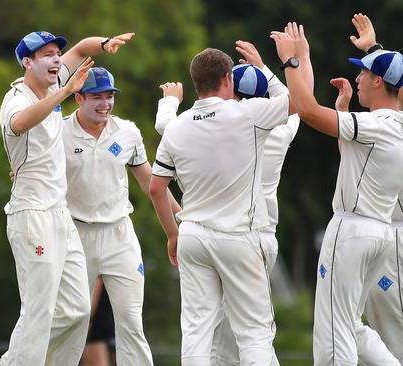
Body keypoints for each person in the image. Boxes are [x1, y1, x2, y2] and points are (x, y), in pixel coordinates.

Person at [0, 31, 134, 366]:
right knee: (40, 308)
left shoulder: (54, 82)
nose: (56, 59)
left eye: (56, 54)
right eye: (47, 54)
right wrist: (65, 92)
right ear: (27, 62)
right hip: (31, 213)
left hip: (59, 214)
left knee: (78, 310)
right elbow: (19, 124)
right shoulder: (17, 98)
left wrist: (105, 43)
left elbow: (81, 48)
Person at [155, 39, 306, 365]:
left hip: (195, 233)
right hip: (248, 235)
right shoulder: (262, 122)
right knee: (254, 332)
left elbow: (164, 131)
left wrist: (169, 102)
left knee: (199, 330)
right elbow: (298, 102)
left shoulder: (183, 126)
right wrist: (279, 65)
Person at [271, 21, 403, 365]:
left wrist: (292, 62)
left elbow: (308, 110)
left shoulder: (377, 124)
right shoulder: (391, 126)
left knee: (333, 331)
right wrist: (344, 110)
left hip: (352, 230)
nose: (357, 78)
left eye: (363, 73)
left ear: (378, 81)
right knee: (351, 327)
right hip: (379, 234)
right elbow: (356, 161)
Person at [64, 66, 181, 366]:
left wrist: (182, 220)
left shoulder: (127, 132)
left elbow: (150, 183)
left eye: (109, 97)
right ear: (79, 98)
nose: (105, 104)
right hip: (75, 235)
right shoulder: (59, 132)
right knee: (72, 320)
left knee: (130, 320)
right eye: (96, 97)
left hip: (119, 234)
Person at [330, 13, 403, 363]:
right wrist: (375, 51)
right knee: (360, 330)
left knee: (392, 338)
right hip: (381, 232)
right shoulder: (383, 123)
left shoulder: (390, 124)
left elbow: (394, 91)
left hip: (393, 236)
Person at [82, 277, 115, 366]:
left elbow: (97, 282)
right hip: (98, 318)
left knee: (96, 359)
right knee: (90, 359)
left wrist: (88, 318)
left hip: (97, 320)